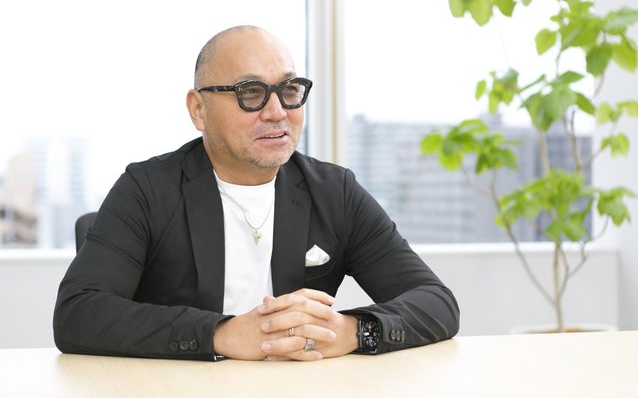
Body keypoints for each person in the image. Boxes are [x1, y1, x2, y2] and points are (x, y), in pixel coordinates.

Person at [53, 25, 459, 362]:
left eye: (290, 90)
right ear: (198, 110)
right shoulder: (146, 188)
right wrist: (221, 335)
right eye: (250, 92)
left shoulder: (334, 192)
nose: (277, 112)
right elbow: (78, 313)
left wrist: (354, 331)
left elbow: (436, 302)